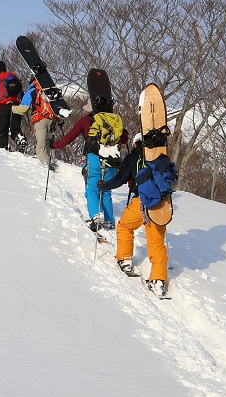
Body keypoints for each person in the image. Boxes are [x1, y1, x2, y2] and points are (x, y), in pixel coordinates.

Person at [97, 136, 169, 297]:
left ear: (136, 143)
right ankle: (158, 280)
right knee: (157, 243)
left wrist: (103, 185)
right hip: (162, 205)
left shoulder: (133, 156)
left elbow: (120, 179)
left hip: (142, 201)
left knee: (125, 226)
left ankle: (124, 259)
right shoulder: (162, 155)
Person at [52, 91, 126, 231]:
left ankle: (96, 217)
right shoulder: (115, 120)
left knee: (92, 189)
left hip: (94, 157)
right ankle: (109, 222)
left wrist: (53, 145)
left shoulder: (86, 120)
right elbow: (125, 138)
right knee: (106, 190)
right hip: (111, 158)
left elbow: (68, 138)